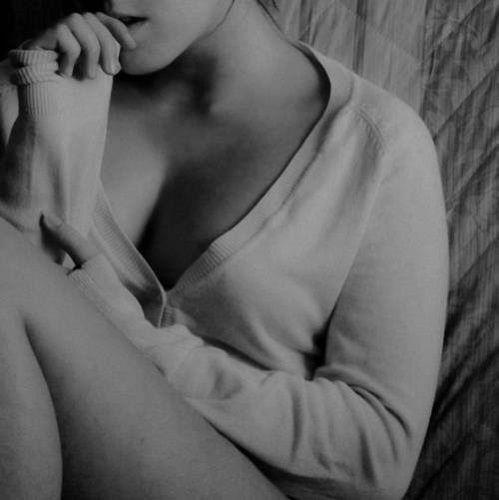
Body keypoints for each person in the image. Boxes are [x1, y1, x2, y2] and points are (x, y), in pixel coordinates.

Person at [0, 0, 449, 498]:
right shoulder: (39, 82)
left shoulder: (377, 146)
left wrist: (133, 337)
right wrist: (37, 117)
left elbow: (377, 457)